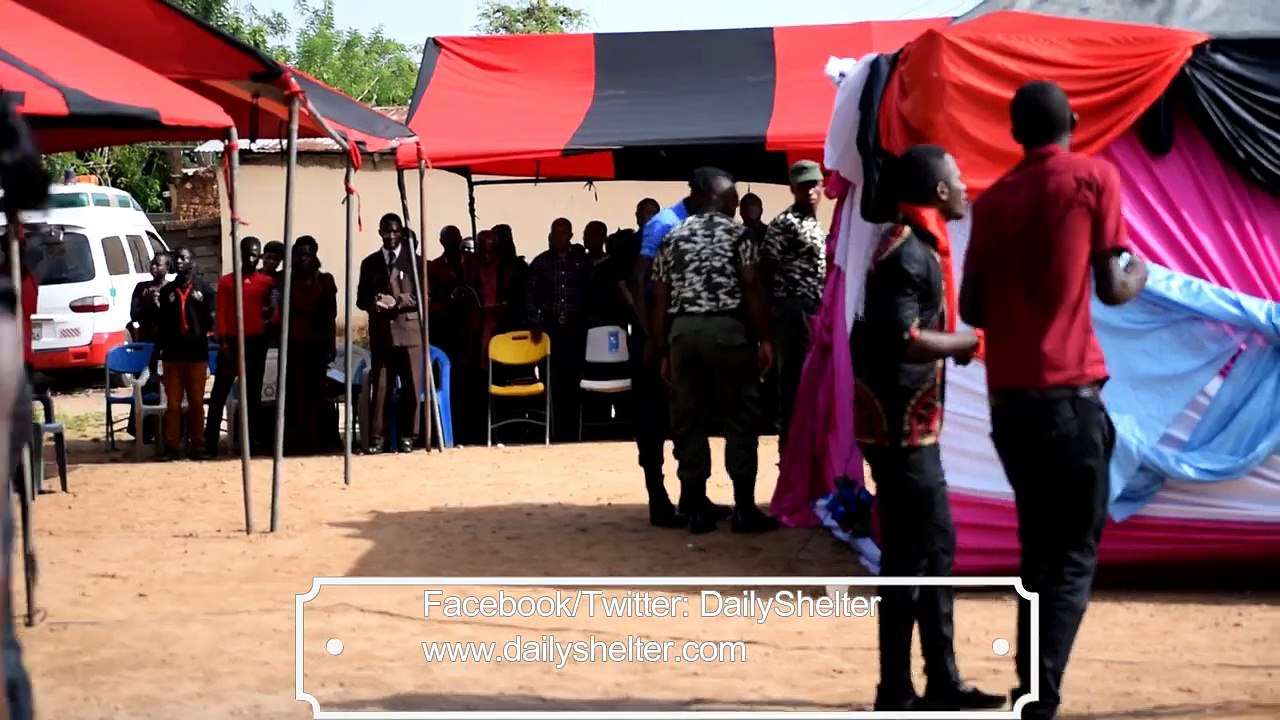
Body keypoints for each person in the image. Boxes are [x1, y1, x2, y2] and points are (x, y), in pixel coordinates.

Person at [960, 80, 1148, 720]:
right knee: (1069, 559)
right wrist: (1138, 273)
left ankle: (1029, 686)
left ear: (1015, 134)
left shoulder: (992, 201)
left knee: (1038, 551)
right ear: (1073, 118)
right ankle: (1039, 697)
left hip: (1010, 403)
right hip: (1070, 398)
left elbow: (971, 308)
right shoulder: (1095, 178)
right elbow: (1113, 286)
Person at [851, 144, 1003, 711]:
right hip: (899, 432)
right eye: (959, 177)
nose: (966, 186)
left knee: (933, 549)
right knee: (914, 555)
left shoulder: (914, 245)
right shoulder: (907, 253)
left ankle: (939, 682)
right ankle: (898, 688)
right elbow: (903, 338)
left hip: (909, 427)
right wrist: (972, 343)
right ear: (939, 191)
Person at [651, 169, 779, 535]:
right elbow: (752, 286)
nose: (737, 206)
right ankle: (743, 509)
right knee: (739, 418)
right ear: (718, 198)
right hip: (728, 332)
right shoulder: (739, 234)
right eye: (734, 200)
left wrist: (662, 350)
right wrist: (765, 338)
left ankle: (695, 508)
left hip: (683, 335)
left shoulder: (673, 236)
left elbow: (659, 296)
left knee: (688, 420)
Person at [630, 176, 730, 527]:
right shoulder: (664, 224)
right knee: (654, 421)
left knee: (690, 418)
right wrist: (652, 340)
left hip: (684, 337)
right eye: (723, 196)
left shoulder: (702, 225)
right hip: (658, 338)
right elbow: (640, 280)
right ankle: (658, 499)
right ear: (703, 194)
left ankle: (693, 497)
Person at [761, 160, 827, 448]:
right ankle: (790, 448)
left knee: (814, 380)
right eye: (804, 186)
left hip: (815, 308)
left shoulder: (813, 223)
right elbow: (767, 269)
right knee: (795, 382)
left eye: (814, 185)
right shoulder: (785, 223)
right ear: (793, 189)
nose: (810, 191)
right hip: (793, 309)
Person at [356, 214, 425, 454]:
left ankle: (409, 436)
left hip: (410, 333)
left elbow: (422, 297)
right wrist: (374, 302)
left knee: (412, 388)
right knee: (382, 388)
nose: (391, 236)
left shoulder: (415, 262)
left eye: (395, 231)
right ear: (380, 232)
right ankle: (378, 438)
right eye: (387, 231)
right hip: (382, 333)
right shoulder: (370, 263)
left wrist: (395, 302)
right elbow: (360, 299)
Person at [526, 217, 593, 441]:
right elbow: (529, 296)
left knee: (574, 380)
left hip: (575, 328)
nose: (559, 237)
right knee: (552, 380)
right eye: (555, 232)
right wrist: (535, 323)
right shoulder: (541, 262)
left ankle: (574, 432)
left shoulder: (581, 262)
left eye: (564, 232)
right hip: (550, 328)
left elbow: (591, 292)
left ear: (571, 236)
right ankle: (554, 433)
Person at [205, 237, 272, 455]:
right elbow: (221, 312)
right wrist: (222, 341)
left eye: (255, 255)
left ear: (259, 256)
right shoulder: (227, 282)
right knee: (220, 393)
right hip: (231, 343)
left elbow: (274, 311)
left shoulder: (267, 283)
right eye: (247, 254)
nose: (251, 259)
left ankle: (251, 442)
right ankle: (210, 442)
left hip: (256, 342)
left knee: (253, 395)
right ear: (240, 255)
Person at [156, 248, 216, 461]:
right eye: (176, 258)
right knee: (173, 404)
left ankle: (198, 445)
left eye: (184, 258)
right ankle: (172, 446)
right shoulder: (167, 291)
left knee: (196, 403)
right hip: (172, 355)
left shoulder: (204, 290)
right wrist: (157, 356)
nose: (179, 261)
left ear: (192, 262)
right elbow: (162, 325)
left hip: (196, 354)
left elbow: (211, 321)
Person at [284, 236, 338, 455]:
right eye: (300, 255)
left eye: (308, 254)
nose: (304, 259)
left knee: (317, 394)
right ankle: (297, 439)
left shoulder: (325, 281)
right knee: (296, 394)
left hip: (318, 344)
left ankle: (318, 439)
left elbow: (331, 316)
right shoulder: (288, 281)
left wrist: (331, 344)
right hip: (295, 344)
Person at [127, 251, 171, 443]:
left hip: (166, 344)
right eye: (152, 264)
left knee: (165, 387)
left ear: (167, 268)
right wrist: (147, 303)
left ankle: (166, 429)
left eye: (158, 264)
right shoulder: (141, 288)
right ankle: (142, 430)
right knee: (144, 384)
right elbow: (133, 315)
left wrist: (160, 305)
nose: (154, 267)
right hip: (145, 346)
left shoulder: (171, 288)